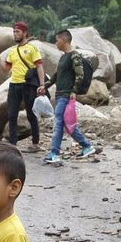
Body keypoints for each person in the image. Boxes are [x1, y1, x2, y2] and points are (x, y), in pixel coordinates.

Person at [0, 22, 46, 151]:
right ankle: (13, 144)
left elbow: (39, 66)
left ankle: (35, 143)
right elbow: (5, 68)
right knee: (11, 115)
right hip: (14, 85)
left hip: (28, 85)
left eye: (18, 32)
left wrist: (42, 85)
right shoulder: (13, 51)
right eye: (14, 32)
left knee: (31, 114)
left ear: (25, 33)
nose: (15, 34)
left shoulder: (32, 48)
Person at [44, 29, 95, 166]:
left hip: (66, 95)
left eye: (57, 40)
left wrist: (74, 91)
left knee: (59, 123)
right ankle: (87, 146)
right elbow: (56, 75)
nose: (56, 43)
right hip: (60, 94)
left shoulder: (74, 55)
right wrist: (45, 86)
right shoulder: (63, 57)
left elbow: (80, 74)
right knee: (67, 124)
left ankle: (54, 153)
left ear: (64, 40)